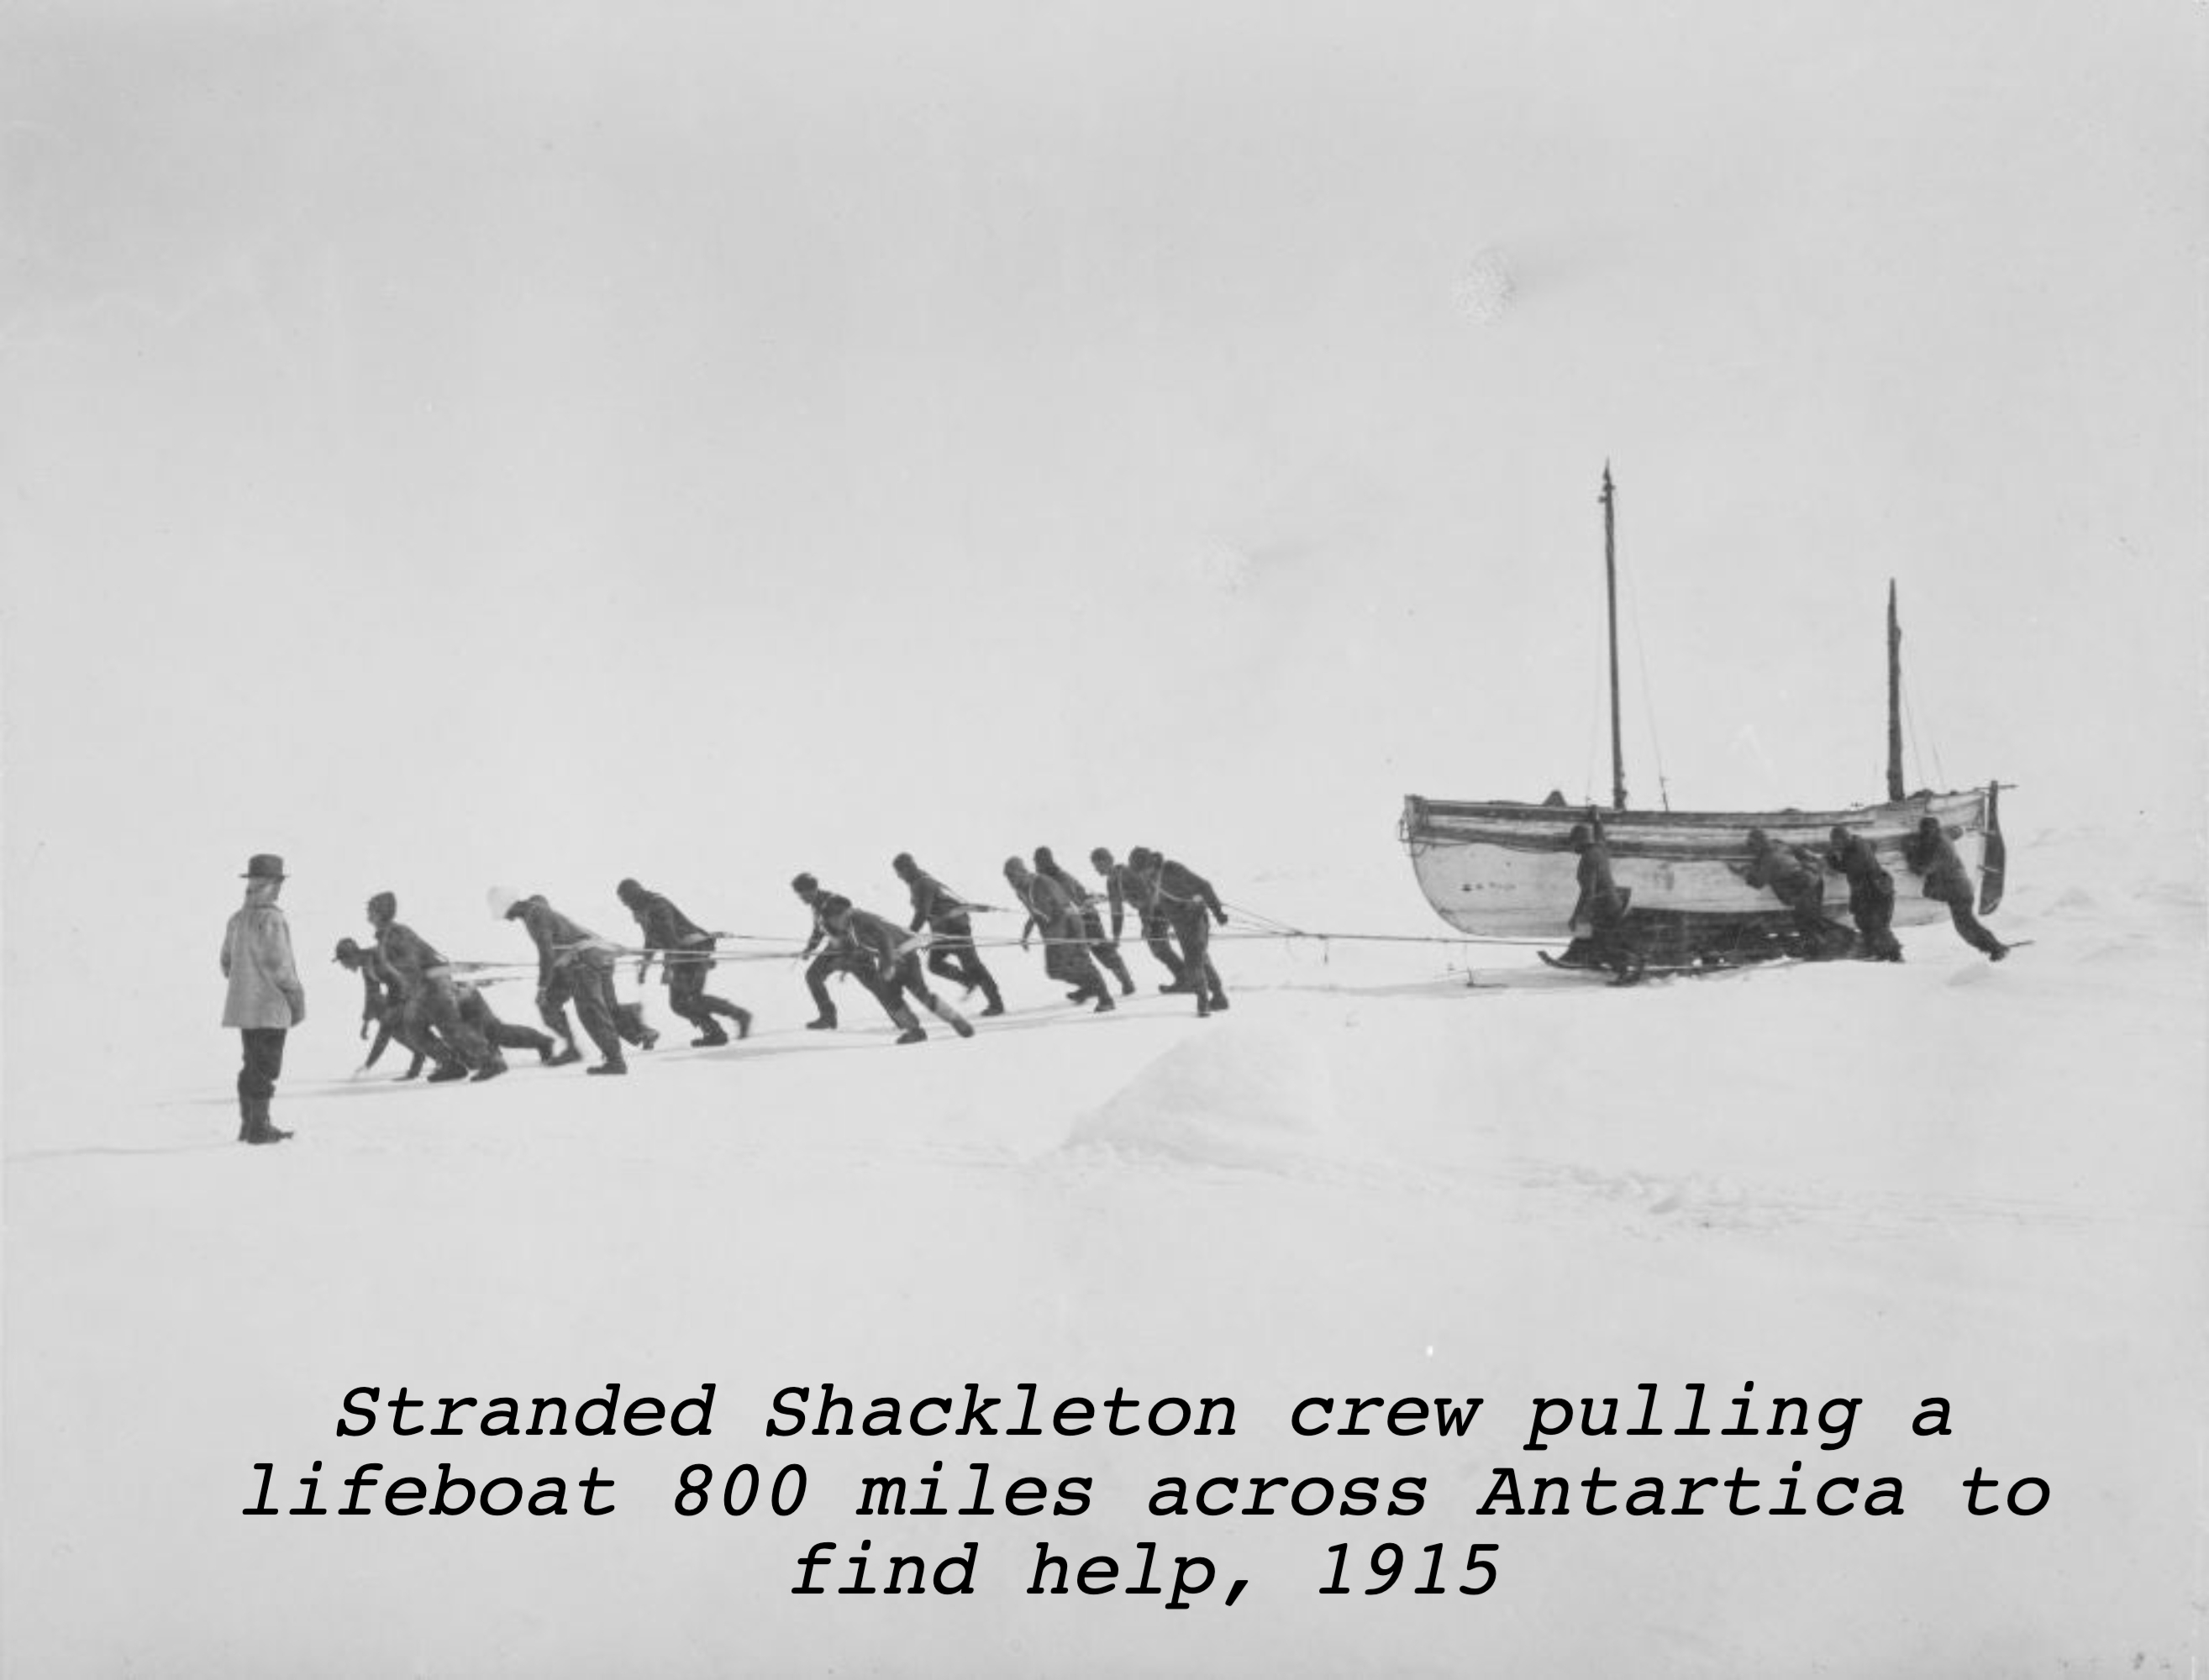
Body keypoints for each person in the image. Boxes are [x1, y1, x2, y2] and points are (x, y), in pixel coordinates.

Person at [496, 891, 650, 1074]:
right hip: (596, 955)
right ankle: (633, 1028)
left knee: (590, 1009)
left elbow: (547, 954)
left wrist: (542, 987)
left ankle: (615, 1060)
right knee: (565, 1004)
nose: (505, 919)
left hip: (583, 960)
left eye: (502, 914)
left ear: (508, 907)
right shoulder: (541, 912)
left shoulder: (535, 915)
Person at [367, 891, 507, 1081]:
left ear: (380, 912)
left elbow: (411, 964)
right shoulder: (387, 936)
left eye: (371, 910)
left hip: (432, 985)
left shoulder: (396, 935)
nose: (368, 914)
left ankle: (491, 1060)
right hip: (422, 988)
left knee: (450, 1028)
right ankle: (450, 1064)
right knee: (414, 1027)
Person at [221, 853, 304, 1144]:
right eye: (278, 882)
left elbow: (225, 963)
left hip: (244, 1008)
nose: (280, 887)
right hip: (270, 1006)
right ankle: (259, 1128)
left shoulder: (236, 919)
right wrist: (295, 996)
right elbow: (281, 967)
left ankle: (249, 1125)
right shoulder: (272, 919)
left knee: (251, 1063)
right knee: (266, 1066)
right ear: (270, 884)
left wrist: (246, 983)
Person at [819, 895, 976, 1045]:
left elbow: (883, 938)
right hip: (903, 955)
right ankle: (956, 1021)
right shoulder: (853, 923)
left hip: (899, 957)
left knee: (891, 996)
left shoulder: (860, 920)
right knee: (917, 993)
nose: (834, 923)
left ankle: (916, 1030)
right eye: (831, 920)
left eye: (834, 918)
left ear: (844, 912)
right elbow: (865, 946)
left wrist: (888, 966)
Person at [615, 878, 753, 1047]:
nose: (626, 905)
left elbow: (670, 940)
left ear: (635, 895)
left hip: (694, 950)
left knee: (689, 999)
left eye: (627, 900)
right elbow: (651, 941)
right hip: (681, 954)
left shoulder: (658, 906)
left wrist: (669, 969)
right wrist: (645, 966)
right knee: (680, 1004)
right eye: (624, 902)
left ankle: (738, 1016)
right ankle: (714, 1032)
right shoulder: (643, 909)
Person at [893, 853, 1005, 1017]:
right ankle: (968, 981)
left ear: (907, 869)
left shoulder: (923, 883)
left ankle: (996, 1004)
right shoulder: (919, 882)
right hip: (942, 931)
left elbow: (922, 914)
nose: (899, 877)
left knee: (973, 966)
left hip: (957, 928)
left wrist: (908, 937)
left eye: (899, 873)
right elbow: (933, 912)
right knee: (935, 964)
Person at [334, 936, 455, 1080]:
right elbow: (371, 994)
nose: (344, 967)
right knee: (390, 1018)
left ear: (352, 956)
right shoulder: (366, 967)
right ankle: (425, 1055)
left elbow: (401, 983)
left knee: (399, 1022)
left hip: (429, 982)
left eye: (344, 962)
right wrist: (366, 1021)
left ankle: (447, 1059)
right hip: (412, 989)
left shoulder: (378, 959)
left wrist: (368, 1064)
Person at [1128, 848, 1230, 1016]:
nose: (1142, 875)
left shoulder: (1172, 869)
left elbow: (1204, 886)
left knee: (1193, 961)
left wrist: (1218, 912)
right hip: (1180, 924)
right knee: (1201, 959)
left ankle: (1203, 1002)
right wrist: (1147, 924)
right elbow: (1153, 903)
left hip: (1195, 919)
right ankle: (1219, 998)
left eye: (1143, 870)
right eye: (1139, 872)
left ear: (1150, 864)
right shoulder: (1151, 878)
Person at [1003, 857, 1114, 1011]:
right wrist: (1025, 935)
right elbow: (1035, 913)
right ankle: (1089, 988)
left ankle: (1106, 999)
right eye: (1007, 877)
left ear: (1022, 872)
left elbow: (1065, 909)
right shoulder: (1021, 891)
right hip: (1052, 935)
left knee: (1083, 964)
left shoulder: (1042, 882)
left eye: (1012, 875)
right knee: (1054, 971)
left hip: (1070, 928)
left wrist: (1062, 936)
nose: (1010, 880)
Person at [1903, 816, 2009, 960]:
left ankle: (1995, 948)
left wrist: (1909, 852)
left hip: (1958, 891)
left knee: (1966, 926)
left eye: (1925, 832)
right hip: (1958, 889)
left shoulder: (1939, 847)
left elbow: (1922, 869)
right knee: (1966, 926)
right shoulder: (1940, 838)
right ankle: (1993, 947)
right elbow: (1954, 832)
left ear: (1931, 831)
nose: (1924, 835)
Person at [1034, 845, 1136, 996]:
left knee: (1103, 952)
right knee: (1077, 959)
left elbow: (1076, 900)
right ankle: (1089, 989)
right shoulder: (1044, 881)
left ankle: (1127, 982)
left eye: (1040, 862)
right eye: (1037, 862)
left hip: (1086, 918)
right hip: (1068, 923)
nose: (1038, 866)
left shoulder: (1061, 878)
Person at [1732, 828, 1845, 958]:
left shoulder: (1769, 859)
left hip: (1804, 888)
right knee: (1809, 919)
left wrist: (1743, 873)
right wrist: (1813, 857)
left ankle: (1820, 953)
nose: (1751, 849)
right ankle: (1823, 948)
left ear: (1757, 844)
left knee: (1806, 922)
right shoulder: (1778, 844)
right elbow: (1799, 851)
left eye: (1752, 845)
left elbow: (1758, 882)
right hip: (1813, 881)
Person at [1091, 846, 1186, 991]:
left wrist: (1147, 924)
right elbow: (1117, 911)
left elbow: (1147, 897)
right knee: (1158, 948)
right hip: (1149, 911)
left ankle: (1187, 979)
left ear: (1109, 861)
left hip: (1159, 908)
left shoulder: (1126, 874)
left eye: (1099, 865)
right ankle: (1186, 978)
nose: (1096, 869)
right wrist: (1116, 936)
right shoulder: (1111, 881)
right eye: (1095, 865)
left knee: (1160, 947)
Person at [1565, 823, 1642, 983]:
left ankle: (1621, 970)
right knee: (1596, 936)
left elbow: (1588, 892)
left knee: (1603, 941)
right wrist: (1596, 820)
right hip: (1612, 902)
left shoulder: (1589, 858)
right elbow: (1601, 838)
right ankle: (1592, 960)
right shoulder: (1600, 850)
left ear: (1581, 842)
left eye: (1573, 842)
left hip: (1604, 907)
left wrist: (1576, 916)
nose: (1572, 846)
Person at [1826, 825, 1903, 962]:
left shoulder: (1858, 849)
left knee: (1877, 924)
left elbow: (1847, 867)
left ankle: (1894, 953)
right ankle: (1880, 952)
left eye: (1837, 843)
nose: (1836, 846)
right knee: (1865, 922)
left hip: (1876, 891)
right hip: (1869, 891)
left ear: (1843, 839)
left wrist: (1831, 858)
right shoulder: (1854, 845)